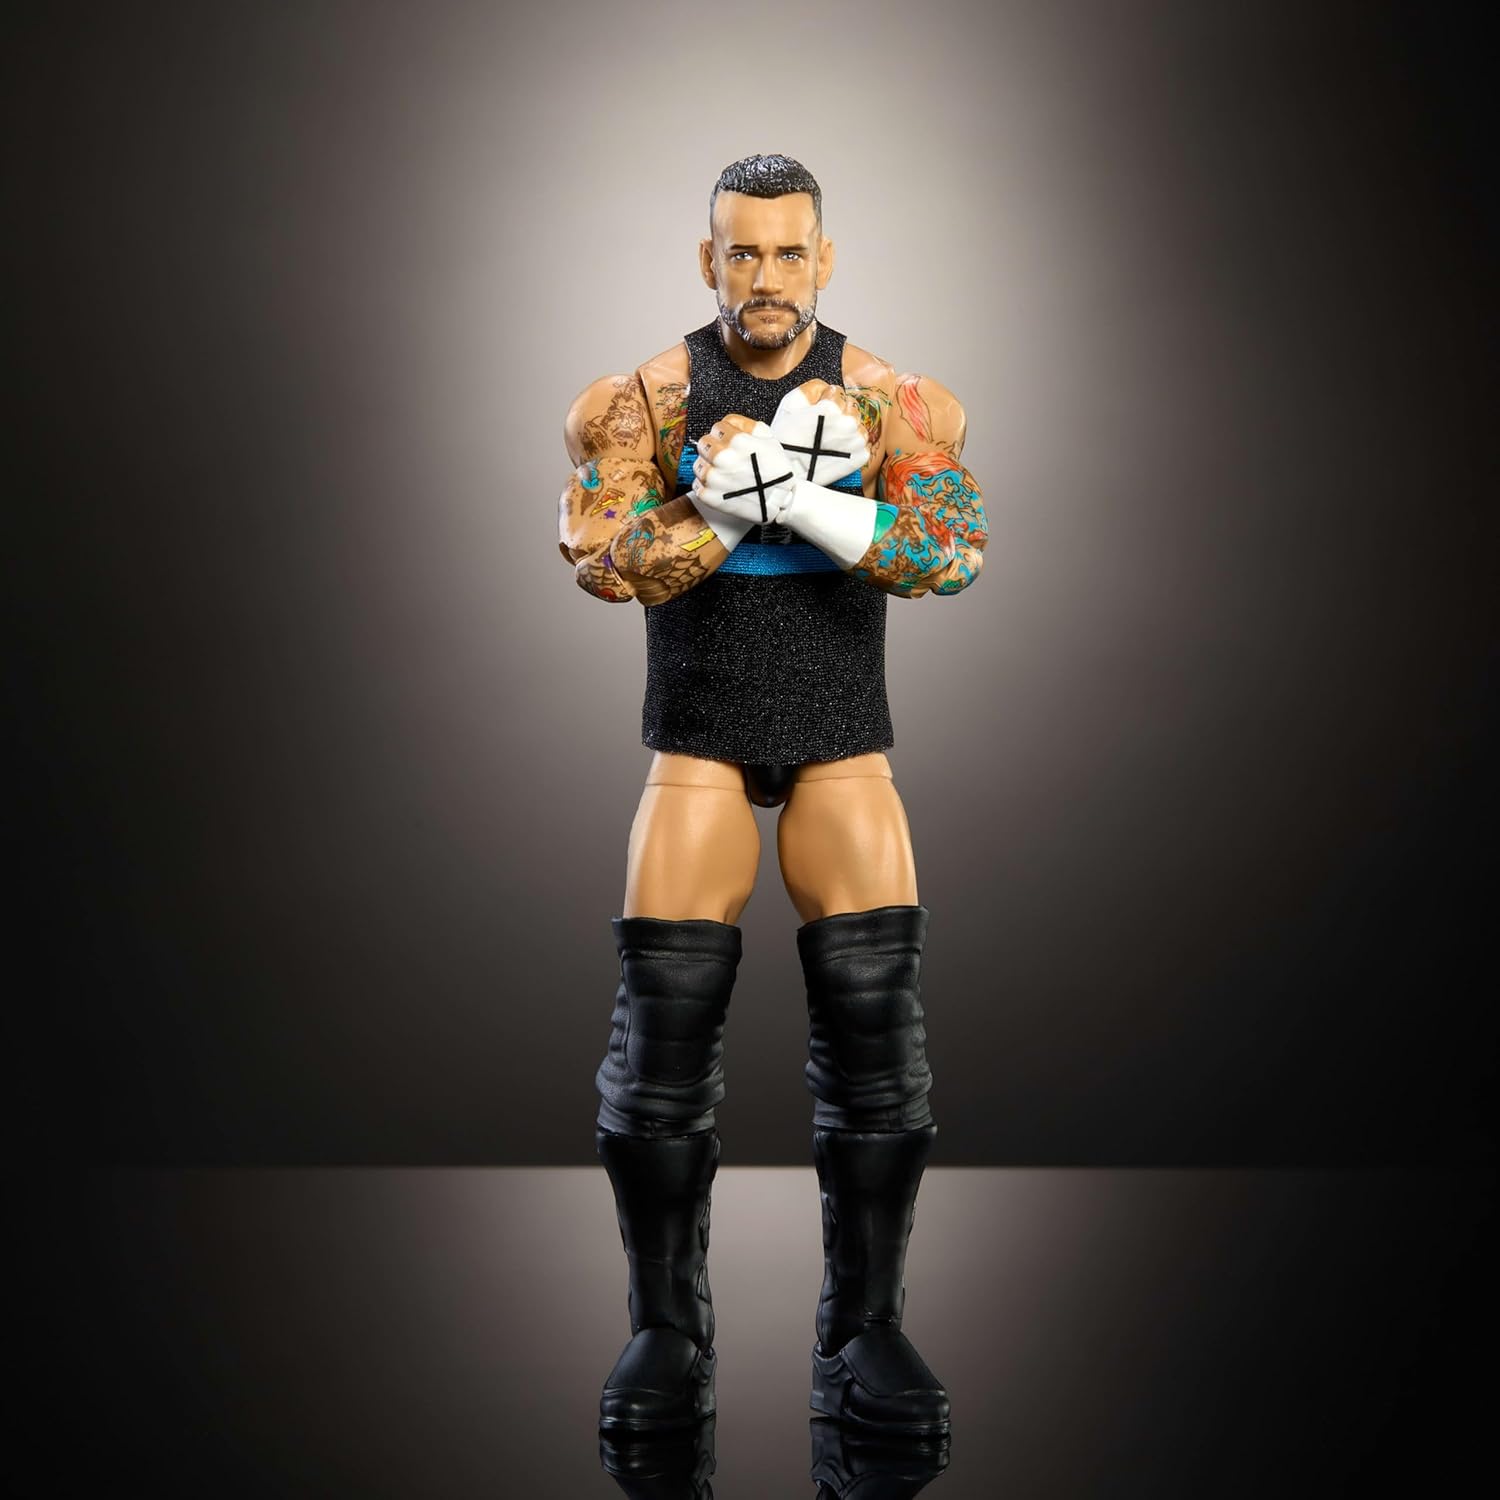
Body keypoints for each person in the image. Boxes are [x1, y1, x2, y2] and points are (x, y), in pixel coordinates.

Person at [558, 153, 987, 1436]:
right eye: (742, 252)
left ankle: (867, 1325)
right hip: (697, 736)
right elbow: (602, 557)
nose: (766, 276)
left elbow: (953, 552)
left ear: (825, 259)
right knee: (659, 1036)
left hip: (841, 737)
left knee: (876, 1028)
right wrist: (730, 503)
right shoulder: (642, 398)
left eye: (789, 252)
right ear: (709, 260)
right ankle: (664, 1327)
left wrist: (801, 493)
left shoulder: (892, 399)